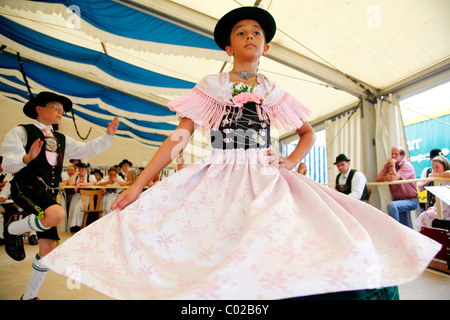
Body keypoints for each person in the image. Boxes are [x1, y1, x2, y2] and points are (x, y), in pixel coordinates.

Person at [42, 7, 439, 300]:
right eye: (241, 32)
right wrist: (139, 185)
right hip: (221, 172)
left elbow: (306, 133)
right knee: (211, 246)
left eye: (256, 32)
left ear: (266, 45)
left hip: (266, 174)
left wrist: (290, 161)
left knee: (307, 238)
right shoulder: (211, 85)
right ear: (227, 45)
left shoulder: (272, 88)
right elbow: (179, 137)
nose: (250, 36)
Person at [1, 91, 119, 300]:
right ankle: (12, 229)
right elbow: (9, 161)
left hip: (48, 192)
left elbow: (86, 149)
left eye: (62, 111)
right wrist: (27, 157)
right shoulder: (21, 131)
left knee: (48, 251)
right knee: (56, 215)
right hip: (26, 185)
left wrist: (108, 136)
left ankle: (28, 297)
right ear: (39, 108)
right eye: (56, 108)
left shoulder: (61, 138)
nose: (60, 113)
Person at [375, 146, 418, 228]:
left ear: (402, 156)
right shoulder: (387, 165)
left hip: (411, 200)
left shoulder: (406, 165)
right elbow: (377, 179)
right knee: (405, 226)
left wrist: (392, 164)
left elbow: (395, 178)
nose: (393, 156)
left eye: (396, 154)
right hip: (398, 199)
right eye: (392, 154)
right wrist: (386, 177)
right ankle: (406, 237)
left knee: (392, 206)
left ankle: (395, 230)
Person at [415, 156, 450, 229]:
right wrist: (434, 206)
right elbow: (440, 197)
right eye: (433, 167)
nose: (434, 170)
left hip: (447, 206)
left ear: (444, 166)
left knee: (429, 216)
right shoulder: (438, 180)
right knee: (425, 215)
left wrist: (438, 175)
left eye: (437, 167)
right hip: (441, 205)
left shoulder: (446, 176)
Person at [67, 162, 97, 232]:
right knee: (73, 210)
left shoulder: (90, 176)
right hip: (77, 196)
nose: (81, 170)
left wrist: (80, 184)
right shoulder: (76, 177)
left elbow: (92, 184)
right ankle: (73, 227)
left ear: (86, 169)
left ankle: (79, 226)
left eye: (82, 169)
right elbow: (70, 184)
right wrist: (75, 175)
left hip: (87, 196)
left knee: (78, 208)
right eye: (79, 169)